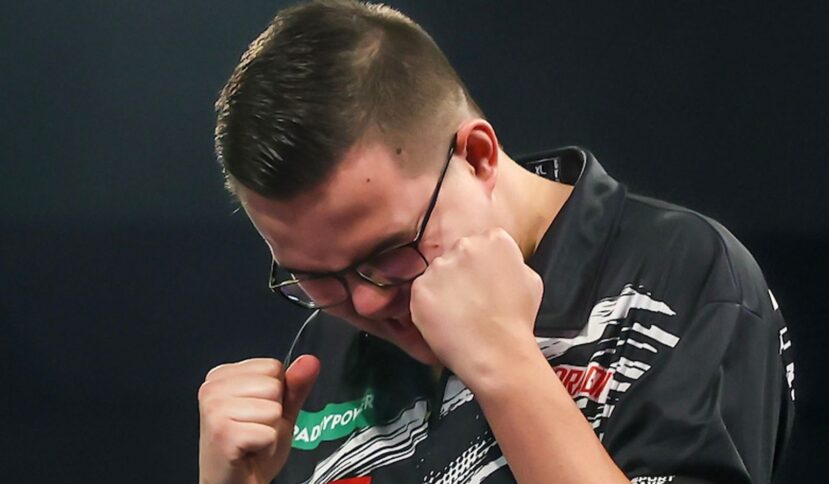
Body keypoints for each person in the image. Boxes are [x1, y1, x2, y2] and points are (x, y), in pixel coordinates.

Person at [198, 1, 795, 483]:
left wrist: (506, 365)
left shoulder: (680, 274)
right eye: (316, 277)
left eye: (387, 254)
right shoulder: (324, 349)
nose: (367, 303)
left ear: (478, 156)